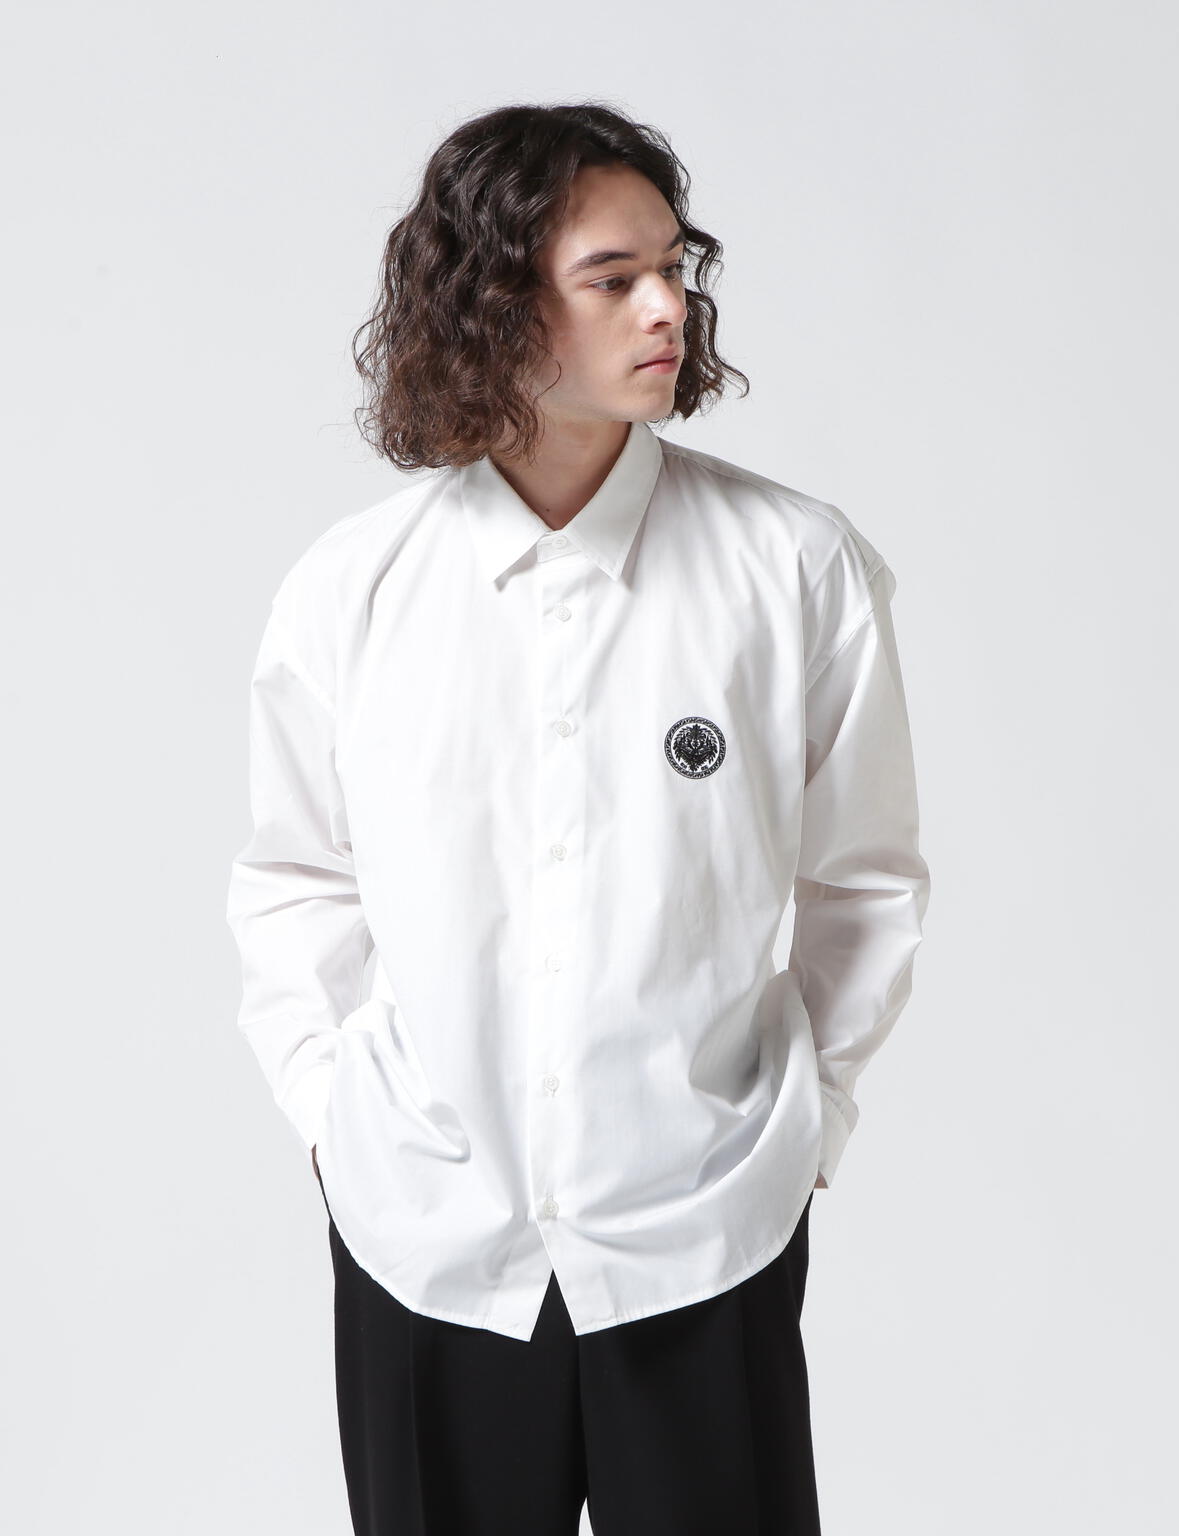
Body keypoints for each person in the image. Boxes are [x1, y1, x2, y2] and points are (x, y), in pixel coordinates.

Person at [225, 99, 930, 1536]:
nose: (668, 308)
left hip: (704, 1230)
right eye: (614, 279)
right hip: (427, 1239)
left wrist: (810, 1131)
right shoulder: (353, 593)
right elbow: (294, 877)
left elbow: (866, 883)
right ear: (492, 305)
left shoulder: (795, 569)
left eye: (675, 268)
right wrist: (327, 1111)